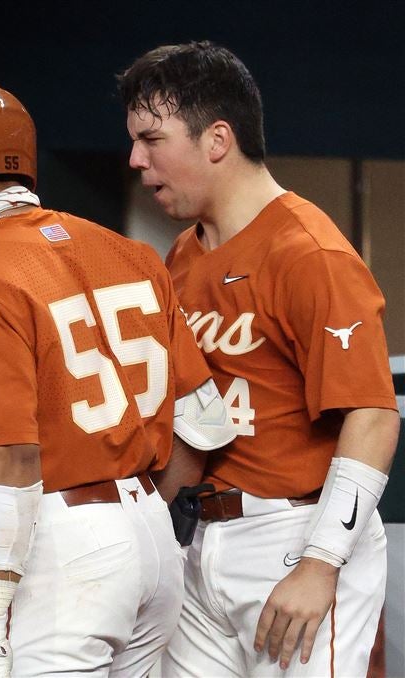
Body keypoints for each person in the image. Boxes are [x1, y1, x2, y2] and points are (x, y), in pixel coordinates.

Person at [0, 80, 233, 677]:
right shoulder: (132, 253)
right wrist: (137, 526)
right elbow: (203, 423)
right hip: (153, 536)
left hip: (61, 542)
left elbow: (12, 459)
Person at [119, 41, 398, 676]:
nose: (136, 159)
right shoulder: (183, 256)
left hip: (295, 537)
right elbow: (194, 420)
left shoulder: (309, 253)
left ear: (217, 139)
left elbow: (374, 416)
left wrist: (321, 562)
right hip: (201, 541)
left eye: (152, 139)